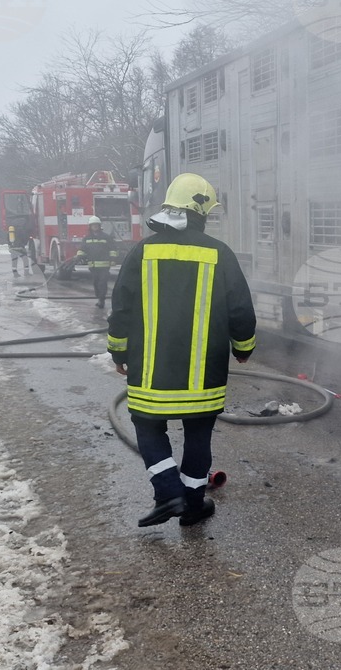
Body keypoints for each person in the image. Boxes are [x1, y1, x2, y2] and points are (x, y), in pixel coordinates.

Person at [107, 173, 256, 527]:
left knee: (147, 426)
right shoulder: (219, 253)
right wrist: (244, 348)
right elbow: (240, 309)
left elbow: (122, 308)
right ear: (201, 212)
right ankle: (191, 503)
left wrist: (118, 352)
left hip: (150, 369)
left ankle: (167, 491)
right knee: (199, 432)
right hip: (203, 373)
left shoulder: (142, 250)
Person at [76, 216, 118, 309]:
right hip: (93, 266)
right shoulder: (86, 238)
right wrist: (78, 256)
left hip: (105, 265)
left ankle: (101, 300)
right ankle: (99, 297)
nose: (95, 227)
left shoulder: (106, 237)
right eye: (93, 225)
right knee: (96, 283)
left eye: (96, 225)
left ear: (99, 226)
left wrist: (113, 260)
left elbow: (113, 249)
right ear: (90, 227)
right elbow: (82, 249)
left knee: (102, 282)